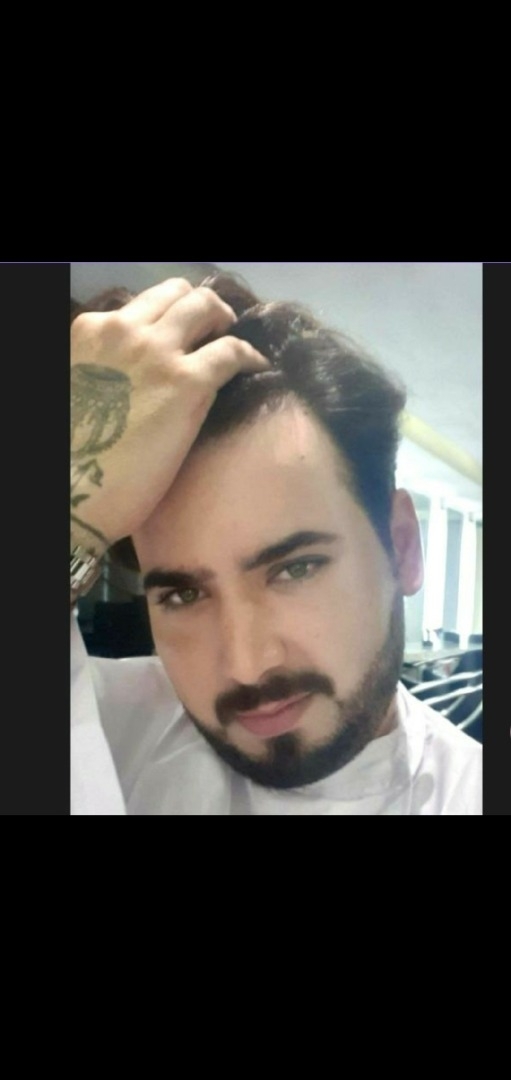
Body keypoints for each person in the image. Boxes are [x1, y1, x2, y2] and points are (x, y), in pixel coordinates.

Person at [71, 267, 482, 815]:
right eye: (183, 595)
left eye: (296, 568)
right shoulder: (105, 727)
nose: (246, 666)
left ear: (402, 547)